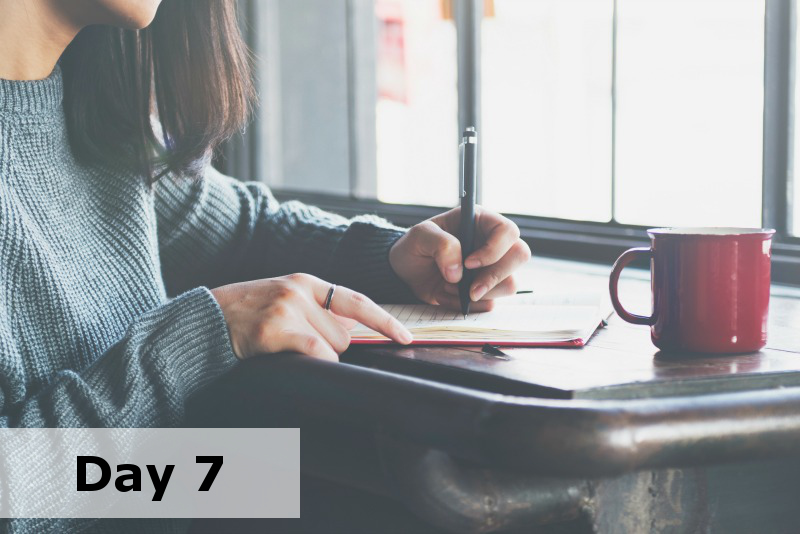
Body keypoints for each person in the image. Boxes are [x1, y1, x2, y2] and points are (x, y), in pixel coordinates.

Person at [0, 0, 530, 531]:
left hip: (166, 489)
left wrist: (394, 259)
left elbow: (240, 229)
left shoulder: (89, 106)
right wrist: (200, 339)